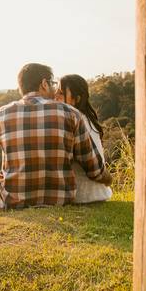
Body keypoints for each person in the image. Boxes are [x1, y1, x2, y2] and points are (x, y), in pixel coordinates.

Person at [0, 63, 112, 213]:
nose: (54, 90)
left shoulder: (0, 115)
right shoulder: (72, 114)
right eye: (52, 84)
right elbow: (95, 170)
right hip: (60, 202)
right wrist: (109, 180)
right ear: (44, 84)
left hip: (10, 202)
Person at [55, 74, 112, 203]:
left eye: (61, 93)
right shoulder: (87, 119)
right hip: (98, 192)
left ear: (76, 99)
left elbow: (93, 169)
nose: (55, 96)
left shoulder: (74, 120)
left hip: (81, 195)